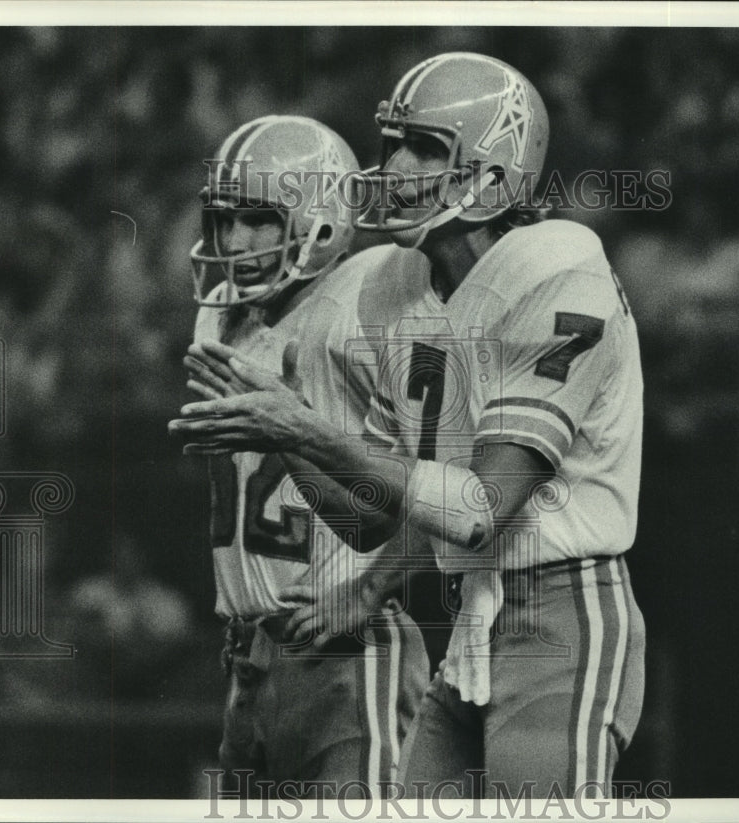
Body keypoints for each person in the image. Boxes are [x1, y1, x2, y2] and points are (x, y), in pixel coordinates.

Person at [170, 54, 646, 800]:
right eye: (392, 144)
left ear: (494, 173)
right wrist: (286, 436)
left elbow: (480, 507)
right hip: (472, 621)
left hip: (562, 610)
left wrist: (302, 429)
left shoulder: (558, 264)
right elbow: (370, 517)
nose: (393, 167)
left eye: (423, 148)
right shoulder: (401, 280)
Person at [175, 114, 428, 797]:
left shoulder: (368, 298)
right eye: (225, 219)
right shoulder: (221, 312)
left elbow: (433, 492)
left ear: (322, 220)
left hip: (342, 647)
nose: (235, 241)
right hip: (248, 658)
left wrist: (370, 588)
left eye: (259, 219)